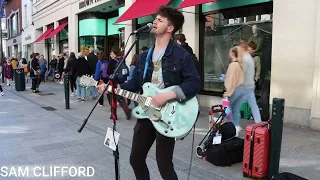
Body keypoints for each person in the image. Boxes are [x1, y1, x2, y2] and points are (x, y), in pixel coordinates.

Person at [97, 6, 200, 180]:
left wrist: (165, 96)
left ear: (170, 28)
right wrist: (112, 89)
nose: (155, 21)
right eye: (156, 18)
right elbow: (135, 83)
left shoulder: (181, 55)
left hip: (168, 115)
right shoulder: (145, 56)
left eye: (160, 20)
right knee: (136, 160)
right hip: (145, 113)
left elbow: (194, 83)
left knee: (164, 165)